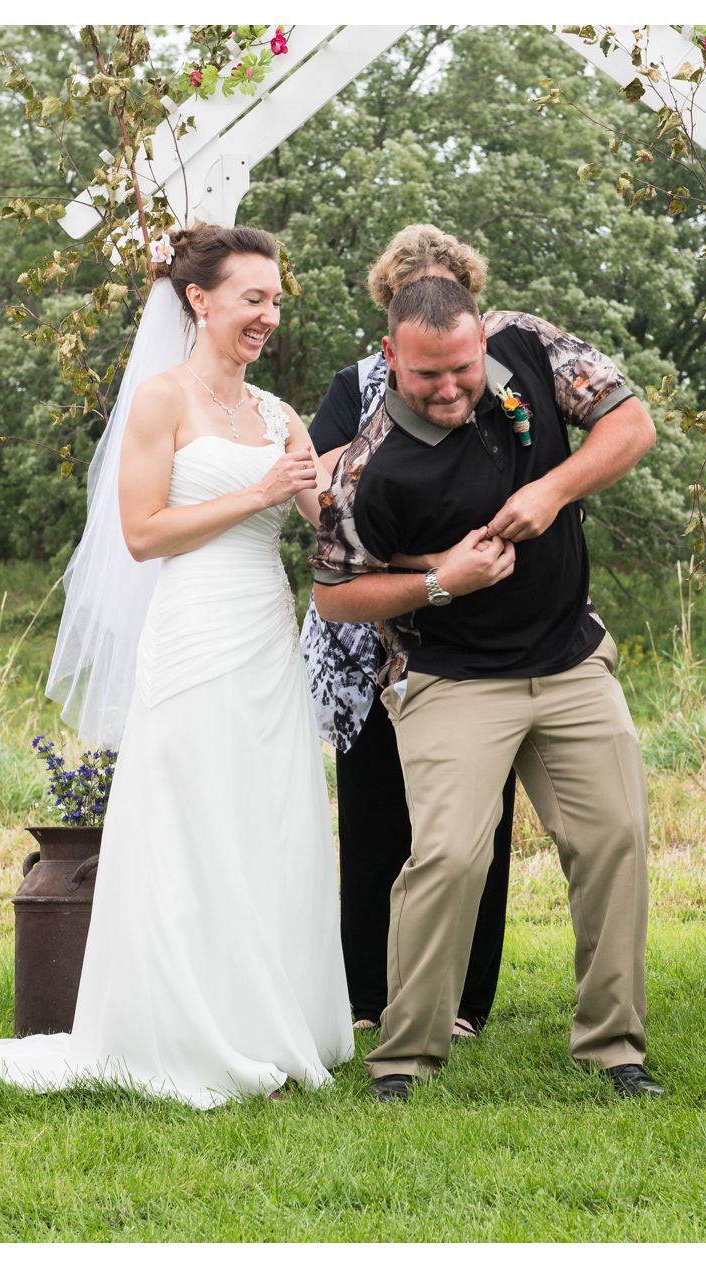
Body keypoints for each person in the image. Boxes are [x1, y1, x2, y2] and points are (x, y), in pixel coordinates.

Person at [0, 224, 352, 1108]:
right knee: (195, 822)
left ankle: (273, 1019)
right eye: (251, 298)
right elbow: (143, 534)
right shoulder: (163, 401)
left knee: (268, 818)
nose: (268, 314)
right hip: (194, 628)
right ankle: (189, 1028)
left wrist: (331, 486)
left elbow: (317, 518)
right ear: (200, 300)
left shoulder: (279, 413)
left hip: (268, 634)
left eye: (274, 299)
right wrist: (255, 492)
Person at [312, 276, 661, 1101]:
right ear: (391, 356)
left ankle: (615, 1049)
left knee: (614, 839)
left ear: (480, 341)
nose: (450, 388)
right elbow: (334, 595)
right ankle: (404, 1057)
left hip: (570, 659)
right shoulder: (366, 470)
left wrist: (553, 489)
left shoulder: (525, 343)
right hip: (451, 677)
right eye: (428, 374)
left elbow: (631, 420)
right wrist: (442, 584)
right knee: (449, 856)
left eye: (462, 368)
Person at [301, 225, 515, 1040]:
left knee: (472, 818)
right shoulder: (352, 385)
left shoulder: (495, 380)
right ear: (389, 312)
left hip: (475, 633)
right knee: (375, 812)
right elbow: (320, 486)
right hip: (370, 636)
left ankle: (464, 1002)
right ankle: (367, 996)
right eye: (409, 291)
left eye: (443, 286)